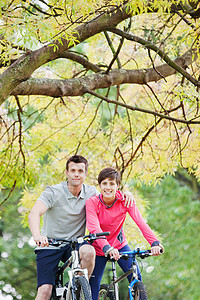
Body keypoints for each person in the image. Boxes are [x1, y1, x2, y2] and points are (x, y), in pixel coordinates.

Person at [28, 155, 135, 300]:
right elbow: (34, 213)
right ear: (67, 173)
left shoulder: (91, 193)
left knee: (90, 251)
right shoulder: (53, 192)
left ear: (85, 174)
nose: (76, 174)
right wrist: (37, 236)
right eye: (73, 170)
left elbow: (109, 198)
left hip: (75, 244)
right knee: (45, 291)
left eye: (80, 171)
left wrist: (125, 194)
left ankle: (79, 288)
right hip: (50, 244)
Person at [85, 167, 164, 300]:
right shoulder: (92, 202)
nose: (108, 187)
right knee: (93, 289)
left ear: (118, 185)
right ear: (99, 185)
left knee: (136, 278)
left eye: (112, 183)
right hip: (99, 248)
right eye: (104, 183)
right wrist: (107, 248)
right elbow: (94, 228)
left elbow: (140, 222)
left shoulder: (125, 201)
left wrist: (154, 242)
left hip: (120, 245)